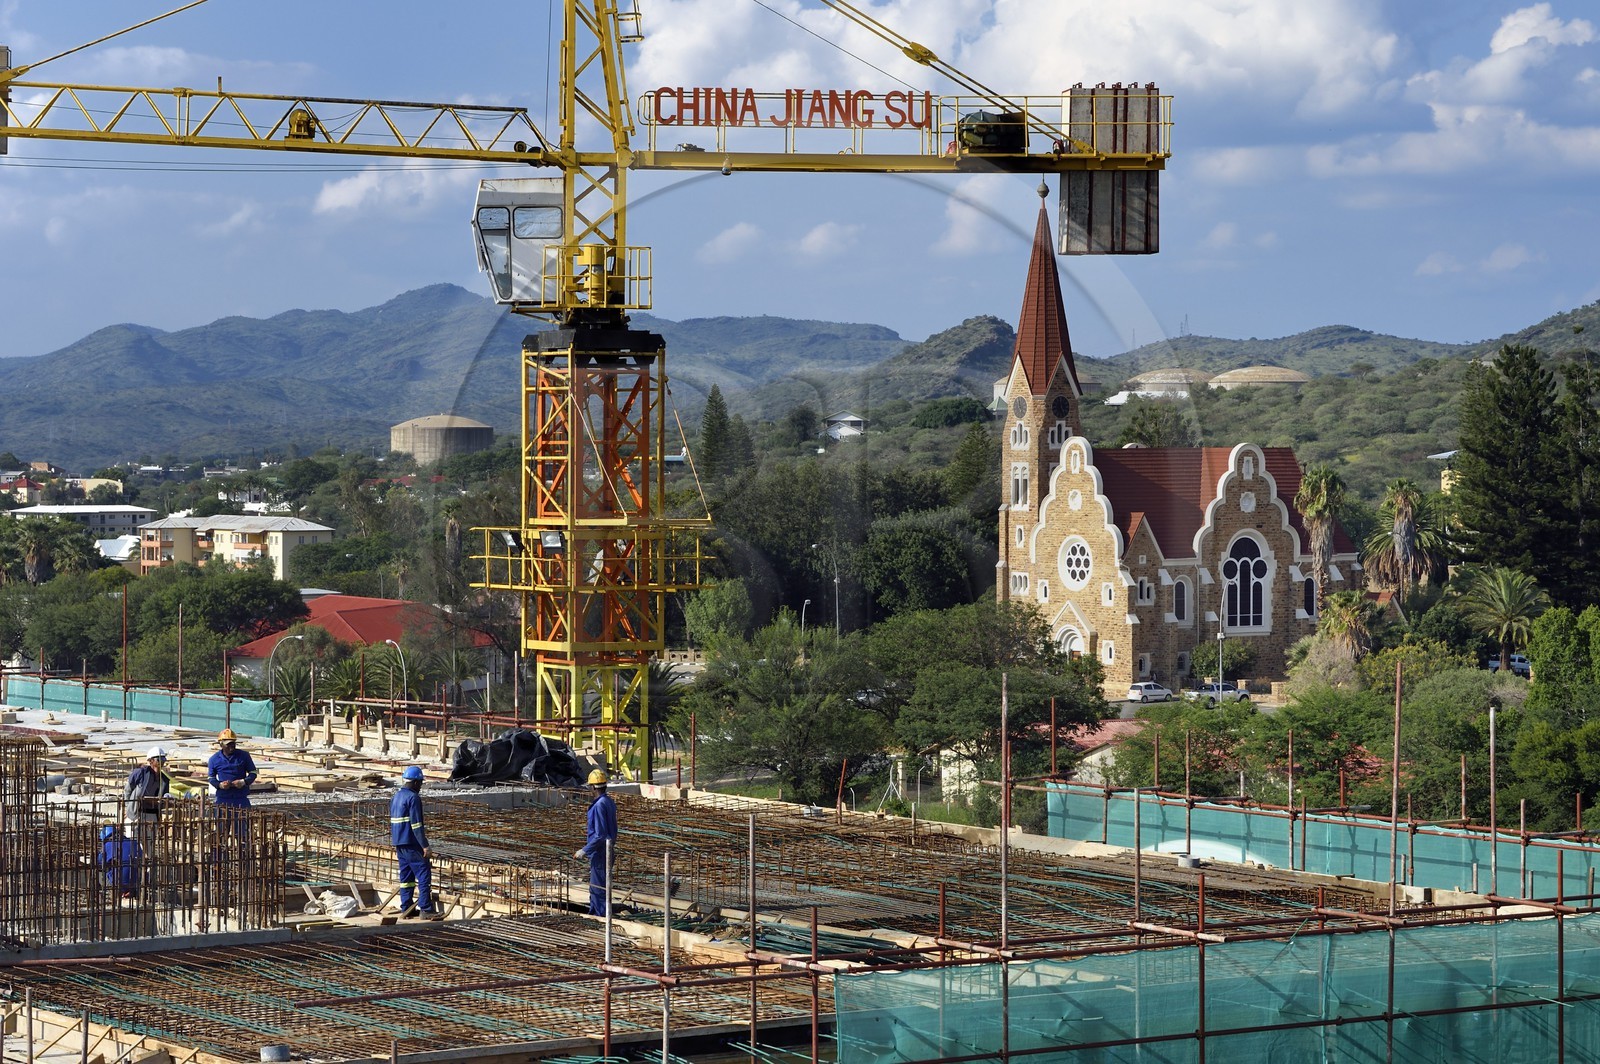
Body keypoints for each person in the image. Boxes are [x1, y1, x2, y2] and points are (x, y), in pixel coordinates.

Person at [390, 765, 442, 919]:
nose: (420, 786)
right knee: (424, 874)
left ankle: (407, 907)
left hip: (399, 843)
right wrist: (425, 845)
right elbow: (416, 825)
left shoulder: (396, 797)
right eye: (420, 783)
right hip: (412, 843)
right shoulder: (413, 798)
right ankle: (426, 909)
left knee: (406, 878)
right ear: (415, 782)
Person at [573, 768, 617, 916]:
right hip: (608, 850)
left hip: (600, 852)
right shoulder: (608, 801)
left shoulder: (599, 805)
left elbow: (600, 835)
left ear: (593, 787)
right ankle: (598, 914)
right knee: (602, 887)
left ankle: (601, 919)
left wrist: (585, 850)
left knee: (598, 889)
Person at [207, 729, 258, 809]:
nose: (231, 747)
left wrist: (243, 782)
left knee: (243, 820)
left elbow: (253, 772)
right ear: (221, 745)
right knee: (223, 820)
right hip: (223, 798)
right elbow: (211, 778)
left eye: (233, 744)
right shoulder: (214, 759)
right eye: (228, 744)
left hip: (241, 798)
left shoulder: (244, 756)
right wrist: (220, 785)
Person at [98, 824, 143, 900]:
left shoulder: (107, 845)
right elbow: (141, 859)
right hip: (135, 882)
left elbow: (99, 862)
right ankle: (131, 891)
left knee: (100, 870)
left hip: (117, 883)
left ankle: (113, 893)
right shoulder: (135, 843)